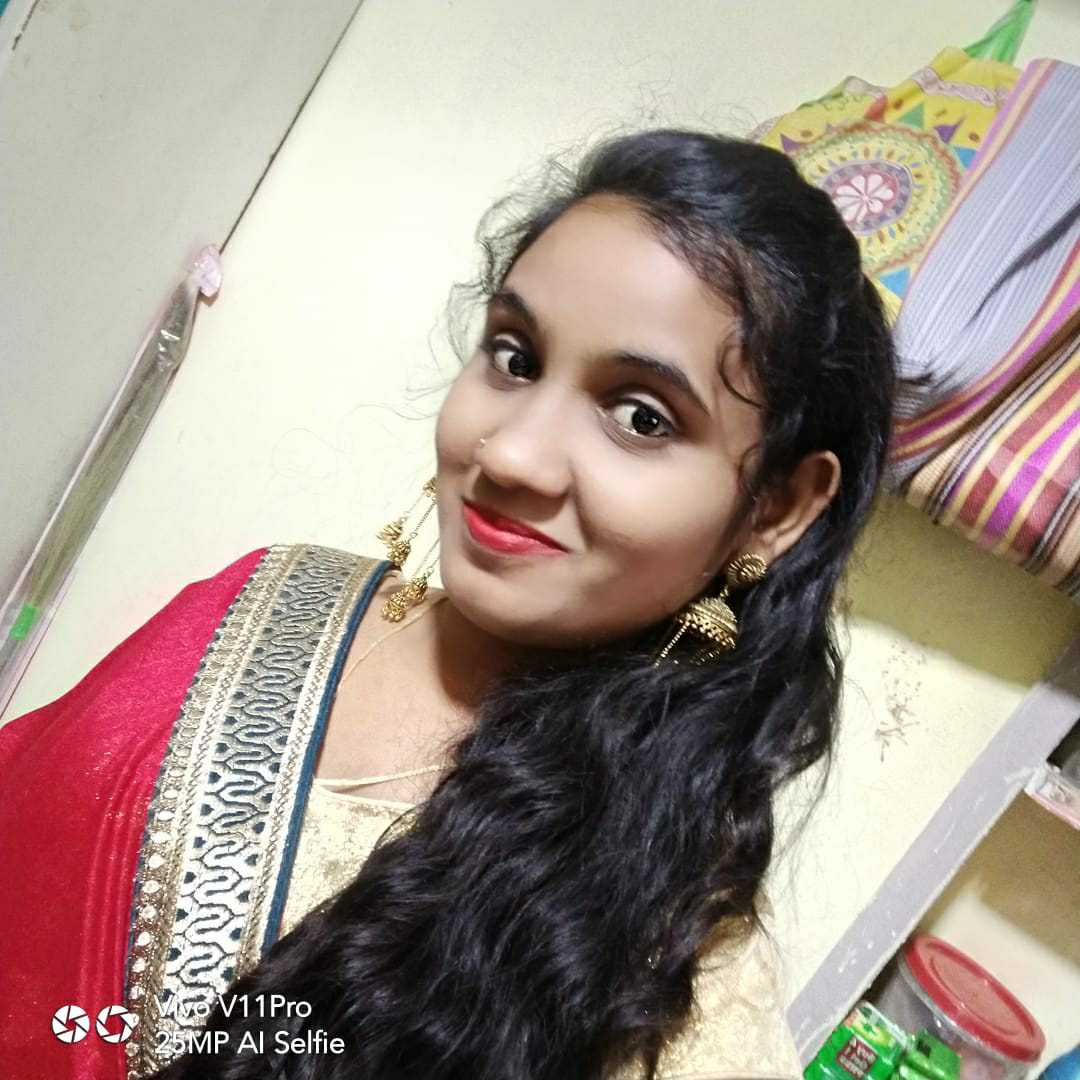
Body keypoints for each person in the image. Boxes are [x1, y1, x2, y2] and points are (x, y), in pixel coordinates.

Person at [0, 128, 897, 1080]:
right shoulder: (274, 595)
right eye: (515, 357)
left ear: (775, 508)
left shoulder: (670, 974)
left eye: (642, 416)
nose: (509, 453)